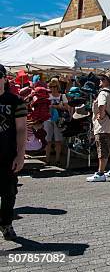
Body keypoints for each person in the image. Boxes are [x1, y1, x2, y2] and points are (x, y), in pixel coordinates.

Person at [0, 64, 27, 240]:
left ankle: (6, 224)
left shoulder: (15, 101)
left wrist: (20, 154)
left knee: (9, 193)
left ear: (4, 78)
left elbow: (21, 129)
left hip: (7, 155)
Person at [86, 73, 110, 182]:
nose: (100, 80)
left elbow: (102, 105)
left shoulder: (103, 93)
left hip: (103, 126)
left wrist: (101, 116)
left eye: (102, 79)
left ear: (106, 81)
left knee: (102, 149)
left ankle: (100, 173)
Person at [44, 78, 69, 166]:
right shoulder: (47, 95)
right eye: (51, 86)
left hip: (59, 120)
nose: (53, 88)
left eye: (54, 86)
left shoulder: (63, 96)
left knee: (58, 140)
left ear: (57, 86)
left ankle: (57, 160)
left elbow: (67, 107)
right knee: (48, 140)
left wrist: (56, 106)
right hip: (47, 119)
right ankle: (47, 160)